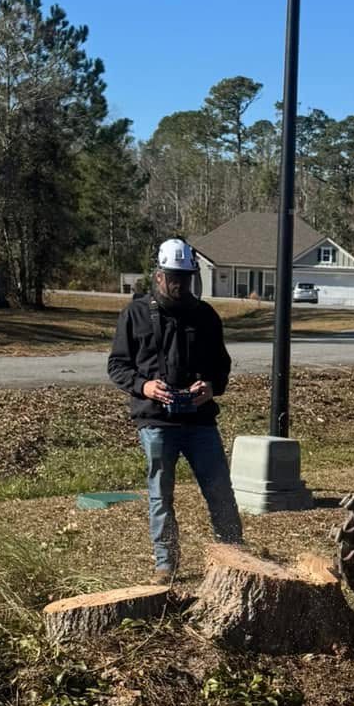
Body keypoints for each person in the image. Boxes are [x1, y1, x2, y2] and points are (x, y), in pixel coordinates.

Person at [108, 237, 244, 583]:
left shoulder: (205, 315)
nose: (180, 284)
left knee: (219, 489)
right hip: (155, 421)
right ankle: (165, 564)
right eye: (173, 277)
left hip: (200, 421)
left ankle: (235, 555)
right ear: (158, 276)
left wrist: (210, 387)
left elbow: (222, 367)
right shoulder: (135, 313)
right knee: (160, 494)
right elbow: (118, 366)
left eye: (186, 277)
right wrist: (145, 386)